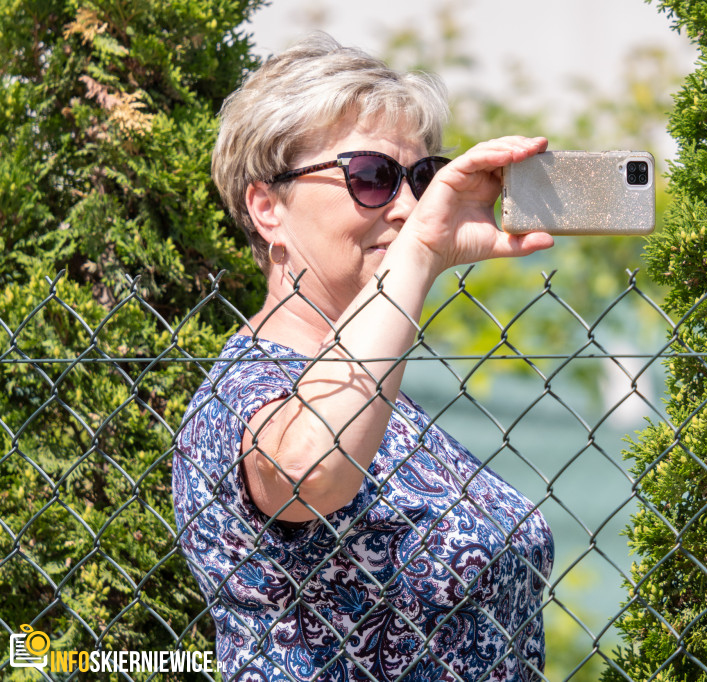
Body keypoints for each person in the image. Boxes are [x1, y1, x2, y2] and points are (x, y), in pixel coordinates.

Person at [172, 32, 555, 682]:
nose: (409, 208)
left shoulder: (377, 389)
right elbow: (307, 472)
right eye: (372, 177)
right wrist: (419, 256)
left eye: (422, 178)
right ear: (268, 207)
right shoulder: (247, 390)